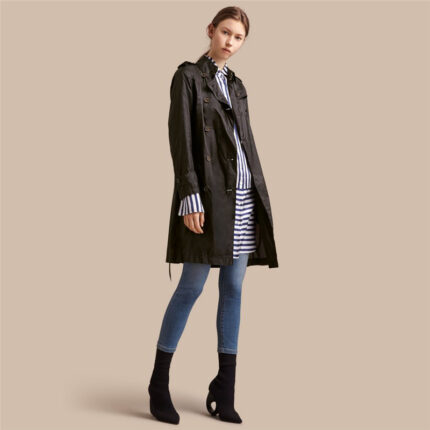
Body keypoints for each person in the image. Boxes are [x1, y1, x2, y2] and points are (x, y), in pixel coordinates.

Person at [148, 6, 279, 425]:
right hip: (208, 199)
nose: (230, 42)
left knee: (234, 288)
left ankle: (225, 389)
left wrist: (258, 197)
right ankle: (158, 383)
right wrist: (190, 197)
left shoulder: (237, 85)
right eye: (225, 32)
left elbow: (246, 145)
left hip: (243, 197)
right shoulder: (188, 77)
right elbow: (181, 139)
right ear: (210, 30)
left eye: (238, 37)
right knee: (191, 287)